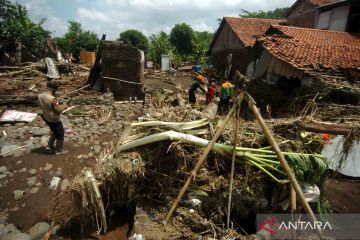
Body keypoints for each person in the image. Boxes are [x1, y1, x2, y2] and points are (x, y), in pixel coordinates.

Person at [38, 82, 68, 155]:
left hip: (46, 117)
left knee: (54, 131)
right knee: (60, 133)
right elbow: (59, 110)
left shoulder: (40, 95)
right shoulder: (52, 99)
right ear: (54, 89)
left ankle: (50, 146)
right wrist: (64, 105)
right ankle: (59, 150)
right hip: (53, 119)